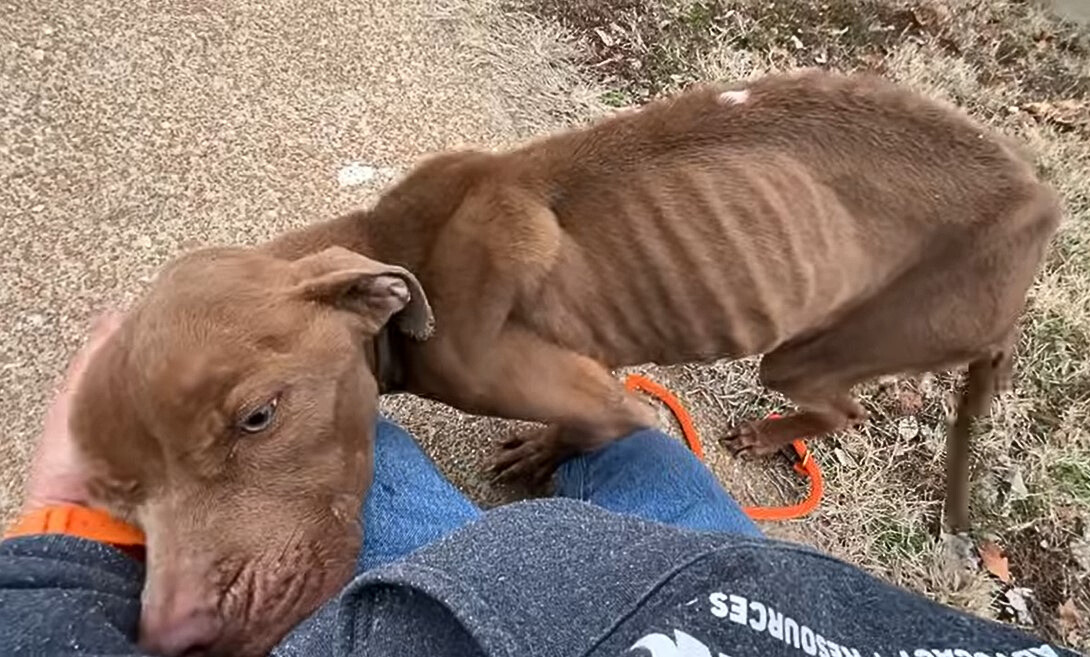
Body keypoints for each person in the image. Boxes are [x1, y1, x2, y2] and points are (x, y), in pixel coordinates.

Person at [0, 317, 1077, 657]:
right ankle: (606, 424)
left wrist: (59, 550)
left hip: (459, 604)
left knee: (331, 435)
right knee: (643, 454)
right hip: (743, 582)